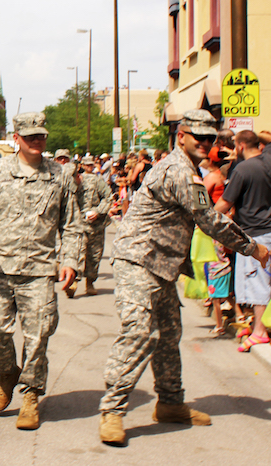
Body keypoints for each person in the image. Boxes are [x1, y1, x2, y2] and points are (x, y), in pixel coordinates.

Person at [98, 110, 269, 447]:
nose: (207, 143)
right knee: (138, 334)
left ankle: (171, 403)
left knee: (169, 336)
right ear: (181, 137)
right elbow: (209, 220)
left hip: (161, 264)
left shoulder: (191, 170)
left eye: (211, 138)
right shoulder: (179, 170)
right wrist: (253, 248)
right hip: (139, 260)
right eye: (199, 137)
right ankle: (112, 411)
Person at [0, 112, 83, 431]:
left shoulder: (60, 175)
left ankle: (30, 396)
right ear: (15, 138)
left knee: (38, 336)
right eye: (29, 136)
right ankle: (6, 371)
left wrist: (71, 261)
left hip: (40, 272)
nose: (37, 141)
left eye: (41, 136)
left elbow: (72, 225)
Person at [215, 130, 271, 352]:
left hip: (254, 234)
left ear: (239, 146)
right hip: (265, 230)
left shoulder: (244, 169)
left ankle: (259, 331)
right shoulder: (266, 164)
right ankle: (254, 324)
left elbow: (225, 203)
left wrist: (203, 218)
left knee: (255, 282)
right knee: (258, 281)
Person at [70, 155, 112, 297]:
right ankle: (74, 280)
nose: (89, 167)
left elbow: (108, 197)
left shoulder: (98, 181)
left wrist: (98, 211)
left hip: (96, 225)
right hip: (79, 224)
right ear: (82, 165)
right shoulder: (75, 180)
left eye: (91, 165)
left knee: (94, 255)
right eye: (86, 165)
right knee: (77, 253)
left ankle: (90, 282)